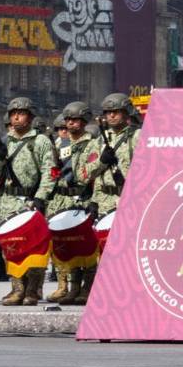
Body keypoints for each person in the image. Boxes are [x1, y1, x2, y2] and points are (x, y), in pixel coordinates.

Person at [0, 96, 56, 306]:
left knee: (34, 248)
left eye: (21, 113)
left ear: (30, 117)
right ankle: (17, 288)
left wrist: (41, 197)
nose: (16, 117)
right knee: (12, 247)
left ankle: (33, 290)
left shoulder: (40, 141)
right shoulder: (4, 141)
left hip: (30, 200)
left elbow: (50, 171)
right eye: (13, 114)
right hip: (8, 201)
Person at [81, 93, 141, 303]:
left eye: (116, 112)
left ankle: (130, 292)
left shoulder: (138, 137)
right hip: (105, 199)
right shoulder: (98, 142)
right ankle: (108, 292)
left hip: (129, 200)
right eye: (108, 113)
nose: (112, 116)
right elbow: (85, 174)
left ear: (127, 114)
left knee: (129, 252)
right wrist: (102, 163)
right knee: (105, 252)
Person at [46, 101, 96, 305]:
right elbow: (52, 173)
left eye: (75, 120)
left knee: (87, 245)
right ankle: (73, 286)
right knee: (71, 245)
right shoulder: (60, 145)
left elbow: (93, 172)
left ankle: (87, 287)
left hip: (85, 198)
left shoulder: (92, 143)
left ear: (84, 121)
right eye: (68, 120)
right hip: (65, 199)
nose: (71, 123)